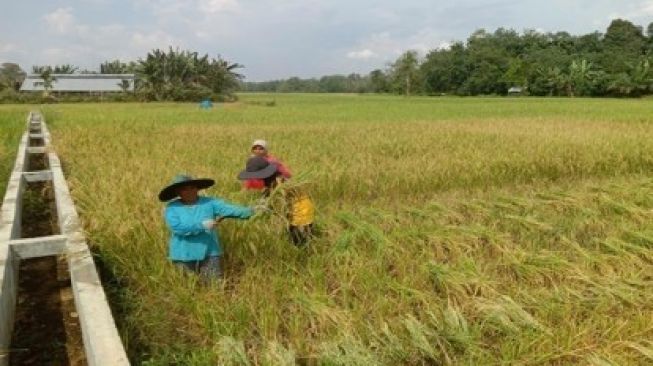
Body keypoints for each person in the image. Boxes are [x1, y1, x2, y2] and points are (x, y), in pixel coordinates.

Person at [158, 174, 254, 282]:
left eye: (192, 187)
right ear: (178, 192)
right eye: (184, 189)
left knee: (214, 284)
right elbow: (177, 228)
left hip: (209, 252)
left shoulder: (210, 202)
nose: (189, 191)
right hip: (183, 254)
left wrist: (251, 211)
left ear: (197, 188)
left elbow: (229, 209)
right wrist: (202, 226)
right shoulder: (173, 207)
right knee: (188, 286)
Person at [238, 156, 315, 245]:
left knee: (300, 240)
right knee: (293, 237)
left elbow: (273, 198)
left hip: (301, 211)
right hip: (292, 210)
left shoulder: (279, 180)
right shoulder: (269, 178)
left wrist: (261, 207)